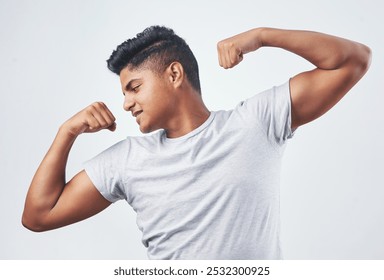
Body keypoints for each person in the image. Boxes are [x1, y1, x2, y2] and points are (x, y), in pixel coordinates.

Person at [22, 26, 371, 259]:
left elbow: (353, 60)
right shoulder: (127, 160)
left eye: (135, 87)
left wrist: (262, 36)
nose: (126, 103)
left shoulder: (255, 123)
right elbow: (39, 215)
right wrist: (66, 132)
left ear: (174, 74)